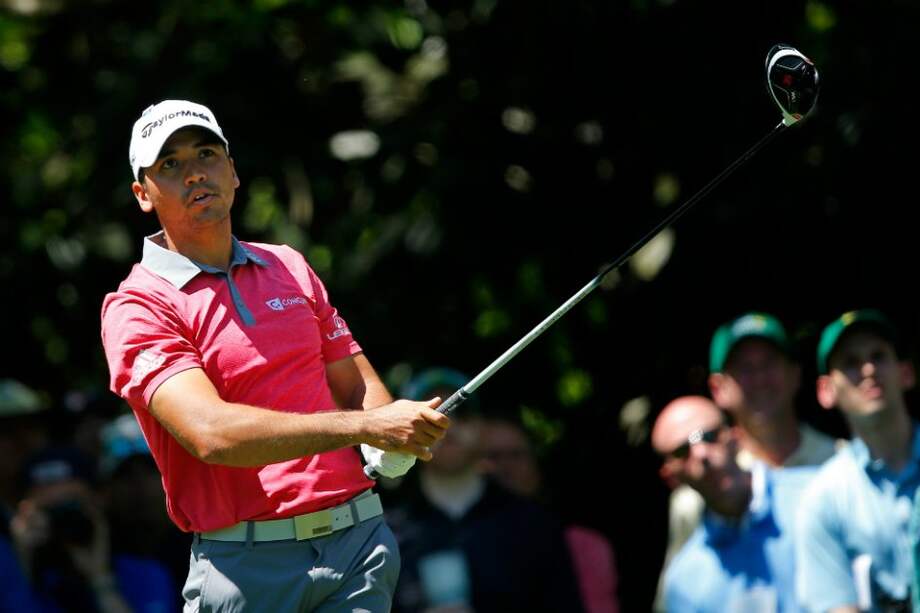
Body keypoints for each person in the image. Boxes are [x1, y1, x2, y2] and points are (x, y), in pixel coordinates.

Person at [99, 99, 451, 612]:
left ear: (233, 172)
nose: (195, 173)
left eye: (206, 154)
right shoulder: (138, 306)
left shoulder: (287, 265)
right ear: (143, 195)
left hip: (358, 547)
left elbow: (355, 384)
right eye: (169, 165)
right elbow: (211, 434)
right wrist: (364, 429)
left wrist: (389, 436)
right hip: (246, 567)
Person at [655, 313, 837, 611]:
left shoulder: (840, 462)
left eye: (769, 363)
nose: (760, 378)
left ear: (795, 373)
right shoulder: (695, 497)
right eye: (744, 369)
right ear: (717, 388)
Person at [386, 368, 585, 613]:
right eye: (430, 418)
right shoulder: (386, 532)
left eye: (462, 412)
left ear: (482, 427)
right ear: (407, 433)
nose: (449, 425)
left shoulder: (534, 523)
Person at [795, 309, 920, 612]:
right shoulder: (822, 499)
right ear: (826, 391)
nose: (868, 369)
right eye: (850, 363)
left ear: (906, 372)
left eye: (878, 356)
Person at [652, 395, 816, 612]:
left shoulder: (814, 495)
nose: (700, 453)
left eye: (709, 436)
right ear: (670, 476)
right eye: (682, 451)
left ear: (736, 437)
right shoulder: (684, 581)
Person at [479, 416, 620, 613]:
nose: (505, 468)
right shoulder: (460, 538)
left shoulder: (585, 546)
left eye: (516, 455)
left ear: (537, 464)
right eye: (492, 456)